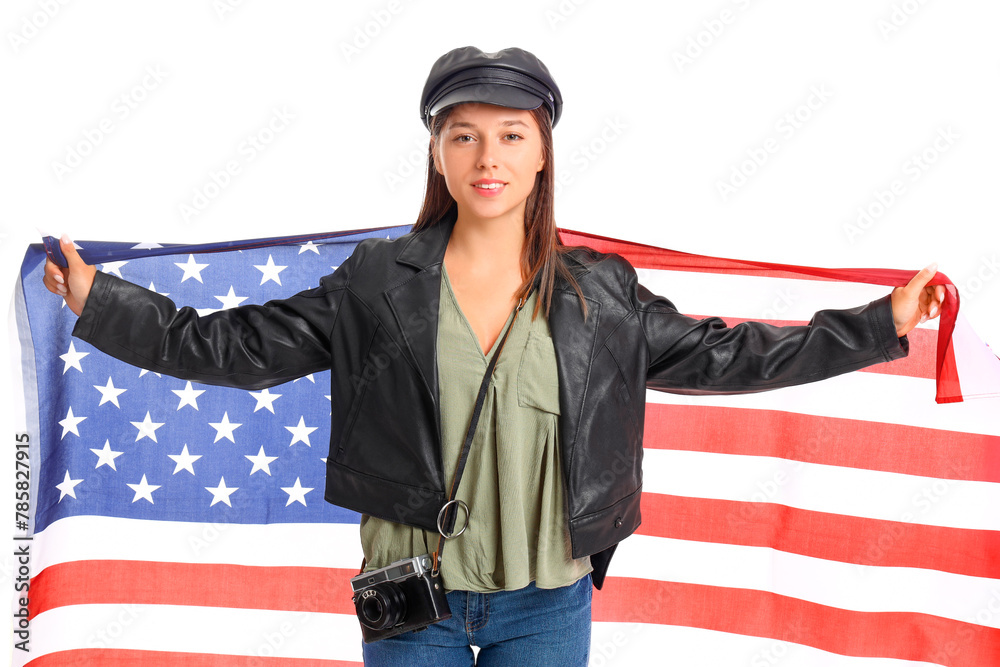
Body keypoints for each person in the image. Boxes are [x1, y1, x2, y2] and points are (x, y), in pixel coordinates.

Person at [42, 46, 945, 666]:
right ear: (437, 153)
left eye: (512, 133)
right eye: (464, 133)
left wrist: (880, 323)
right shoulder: (375, 283)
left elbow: (731, 355)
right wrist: (100, 300)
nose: (488, 154)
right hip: (412, 598)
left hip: (548, 601)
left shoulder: (600, 293)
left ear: (543, 152)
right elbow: (234, 347)